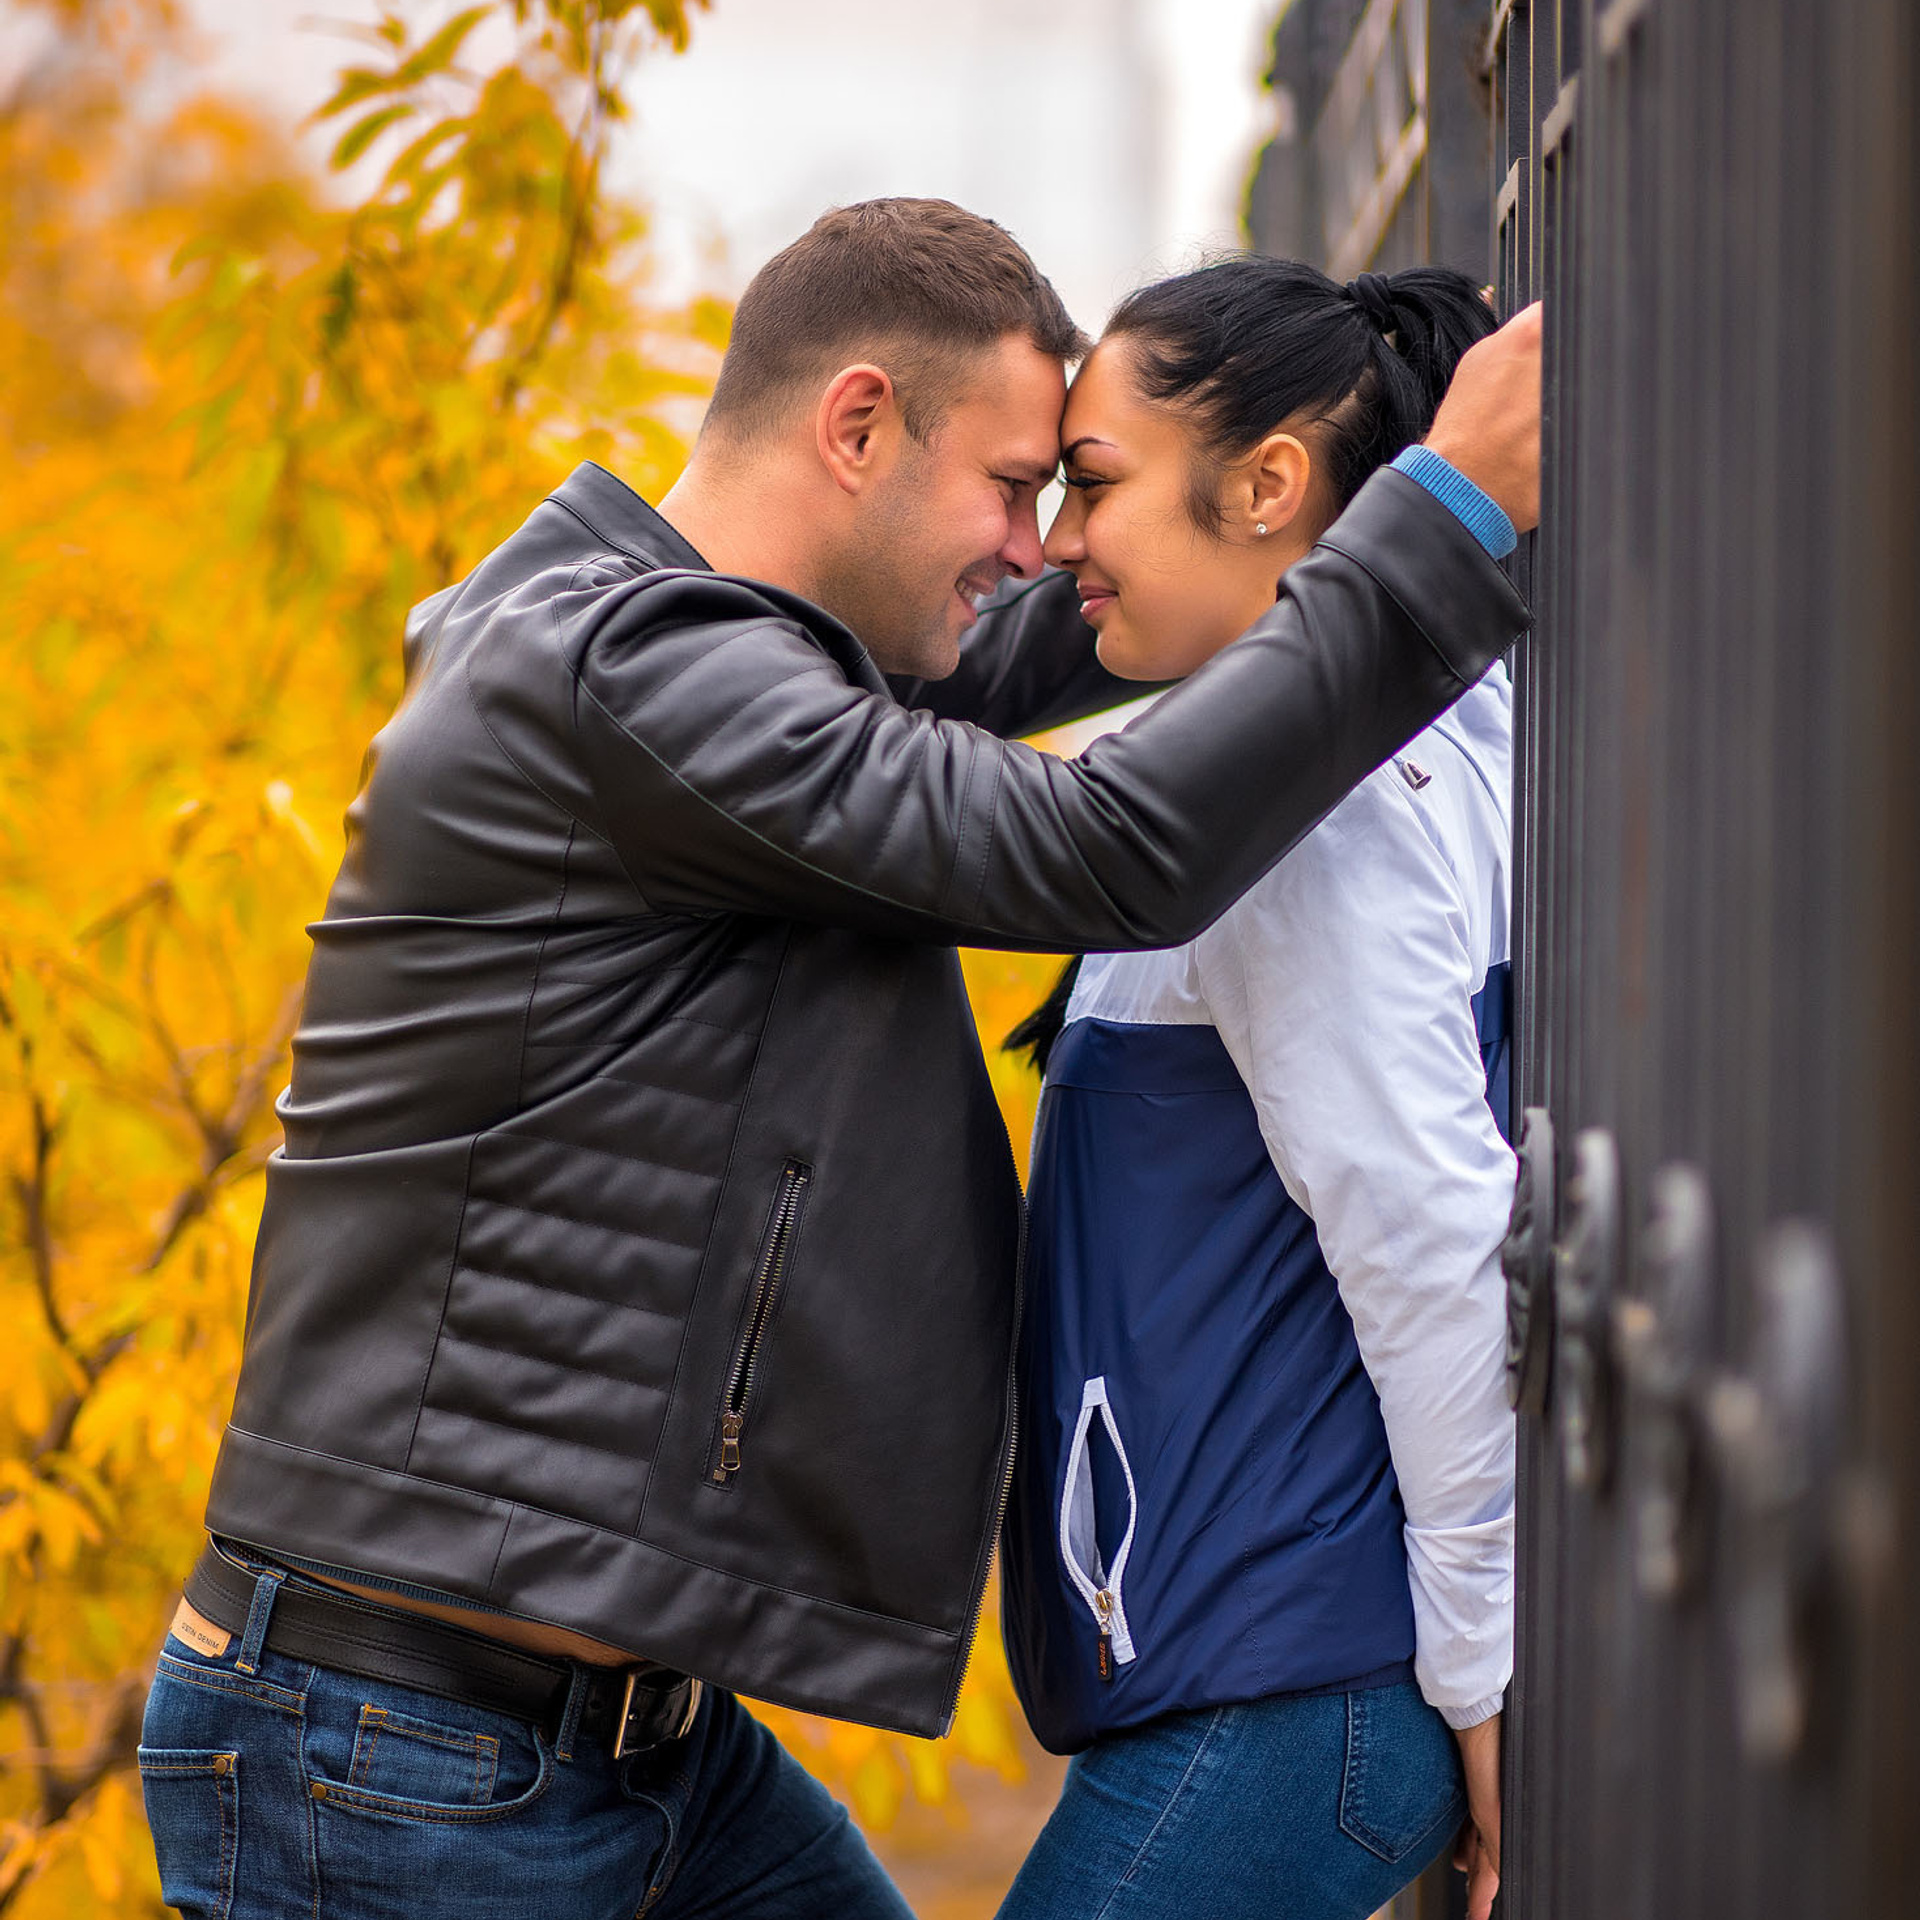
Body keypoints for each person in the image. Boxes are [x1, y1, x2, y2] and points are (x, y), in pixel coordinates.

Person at [138, 200, 1539, 1920]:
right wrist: (1433, 523)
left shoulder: (703, 669)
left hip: (620, 1735)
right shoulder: (625, 676)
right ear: (859, 423)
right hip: (400, 1749)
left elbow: (1038, 647)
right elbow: (1105, 840)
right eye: (1022, 486)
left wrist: (1287, 552)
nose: (1039, 548)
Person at [995, 259, 1519, 1920]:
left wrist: (1488, 1694)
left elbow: (1436, 1253)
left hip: (1292, 1696)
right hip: (1271, 1666)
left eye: (1095, 481)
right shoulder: (1405, 752)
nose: (1058, 541)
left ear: (1271, 481)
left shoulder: (1313, 829)